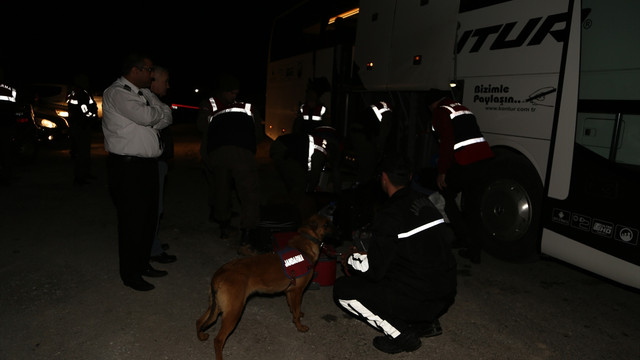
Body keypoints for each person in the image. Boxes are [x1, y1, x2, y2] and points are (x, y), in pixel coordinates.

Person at [333, 153, 457, 355]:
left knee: (344, 290)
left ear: (383, 177)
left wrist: (349, 258)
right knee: (406, 271)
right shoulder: (427, 203)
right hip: (445, 292)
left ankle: (401, 334)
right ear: (409, 177)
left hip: (419, 299)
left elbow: (373, 271)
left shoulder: (389, 215)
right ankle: (425, 323)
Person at [102, 53, 173, 291]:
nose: (152, 75)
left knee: (147, 219)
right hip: (127, 167)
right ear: (135, 70)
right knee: (132, 221)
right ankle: (130, 274)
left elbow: (167, 115)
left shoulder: (145, 93)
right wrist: (156, 114)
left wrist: (156, 114)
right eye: (149, 70)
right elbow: (147, 116)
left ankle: (142, 265)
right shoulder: (117, 92)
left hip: (148, 166)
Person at [428, 90, 494, 264]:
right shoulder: (461, 108)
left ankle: (464, 238)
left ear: (433, 104)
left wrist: (442, 172)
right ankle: (473, 248)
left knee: (446, 195)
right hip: (484, 160)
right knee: (472, 206)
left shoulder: (441, 111)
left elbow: (447, 143)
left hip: (466, 161)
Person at [201, 73, 263, 256]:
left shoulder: (215, 110)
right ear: (223, 91)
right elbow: (258, 134)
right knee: (248, 191)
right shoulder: (246, 107)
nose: (234, 96)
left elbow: (205, 132)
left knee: (222, 189)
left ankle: (224, 226)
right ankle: (247, 232)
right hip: (240, 151)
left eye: (236, 93)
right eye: (231, 93)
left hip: (218, 151)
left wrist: (207, 156)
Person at [148, 65, 177, 264]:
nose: (168, 85)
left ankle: (153, 243)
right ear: (154, 81)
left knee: (156, 206)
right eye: (164, 81)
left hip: (159, 161)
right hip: (153, 161)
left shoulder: (155, 101)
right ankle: (152, 250)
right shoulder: (148, 102)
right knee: (153, 207)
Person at [66, 73, 98, 186]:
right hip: (81, 126)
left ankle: (85, 174)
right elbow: (84, 110)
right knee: (82, 152)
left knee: (83, 151)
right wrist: (93, 116)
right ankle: (80, 177)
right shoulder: (81, 93)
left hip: (78, 125)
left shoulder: (74, 92)